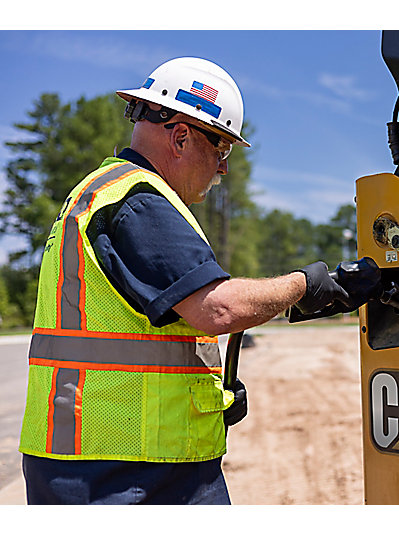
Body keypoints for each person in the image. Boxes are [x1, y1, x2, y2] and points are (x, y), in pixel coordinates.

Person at [18, 57, 350, 505]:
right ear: (179, 136)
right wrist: (306, 285)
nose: (224, 169)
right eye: (222, 150)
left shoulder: (106, 194)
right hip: (121, 474)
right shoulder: (138, 201)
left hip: (110, 464)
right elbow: (218, 309)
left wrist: (209, 398)